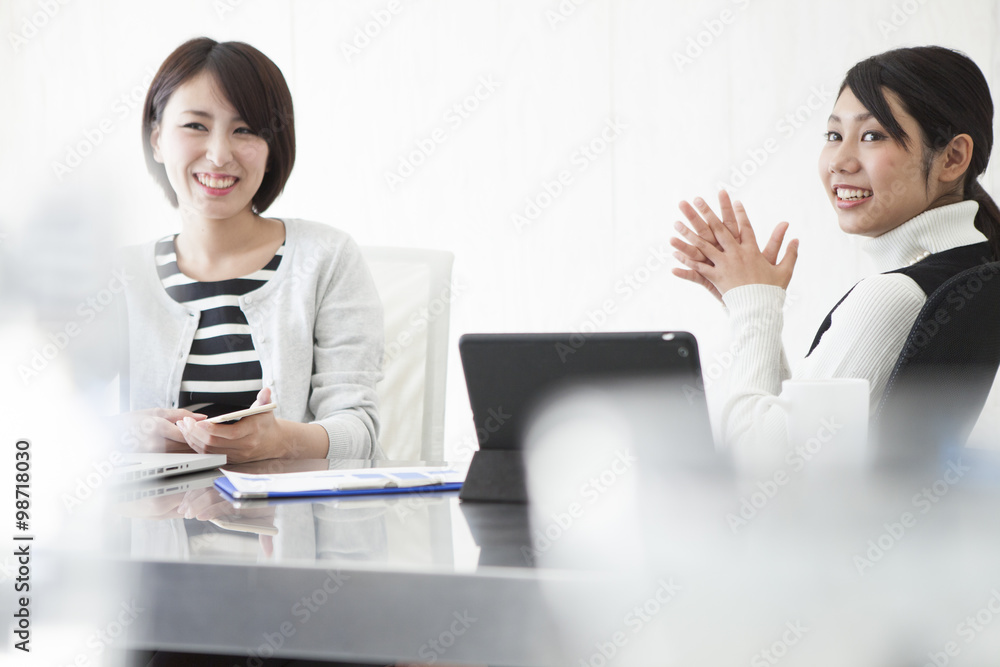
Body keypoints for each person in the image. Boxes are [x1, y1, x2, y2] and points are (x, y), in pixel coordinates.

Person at [670, 46, 1000, 461]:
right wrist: (752, 302)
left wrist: (753, 306)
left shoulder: (892, 296)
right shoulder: (975, 265)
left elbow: (756, 468)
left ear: (952, 158)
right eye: (833, 135)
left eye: (872, 136)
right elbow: (809, 446)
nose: (839, 162)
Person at [118, 37, 384, 463]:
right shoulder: (117, 277)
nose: (219, 155)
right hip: (157, 507)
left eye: (244, 130)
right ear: (157, 139)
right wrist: (117, 436)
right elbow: (47, 422)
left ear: (272, 147)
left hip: (291, 508)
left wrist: (282, 442)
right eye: (196, 126)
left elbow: (360, 432)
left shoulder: (327, 258)